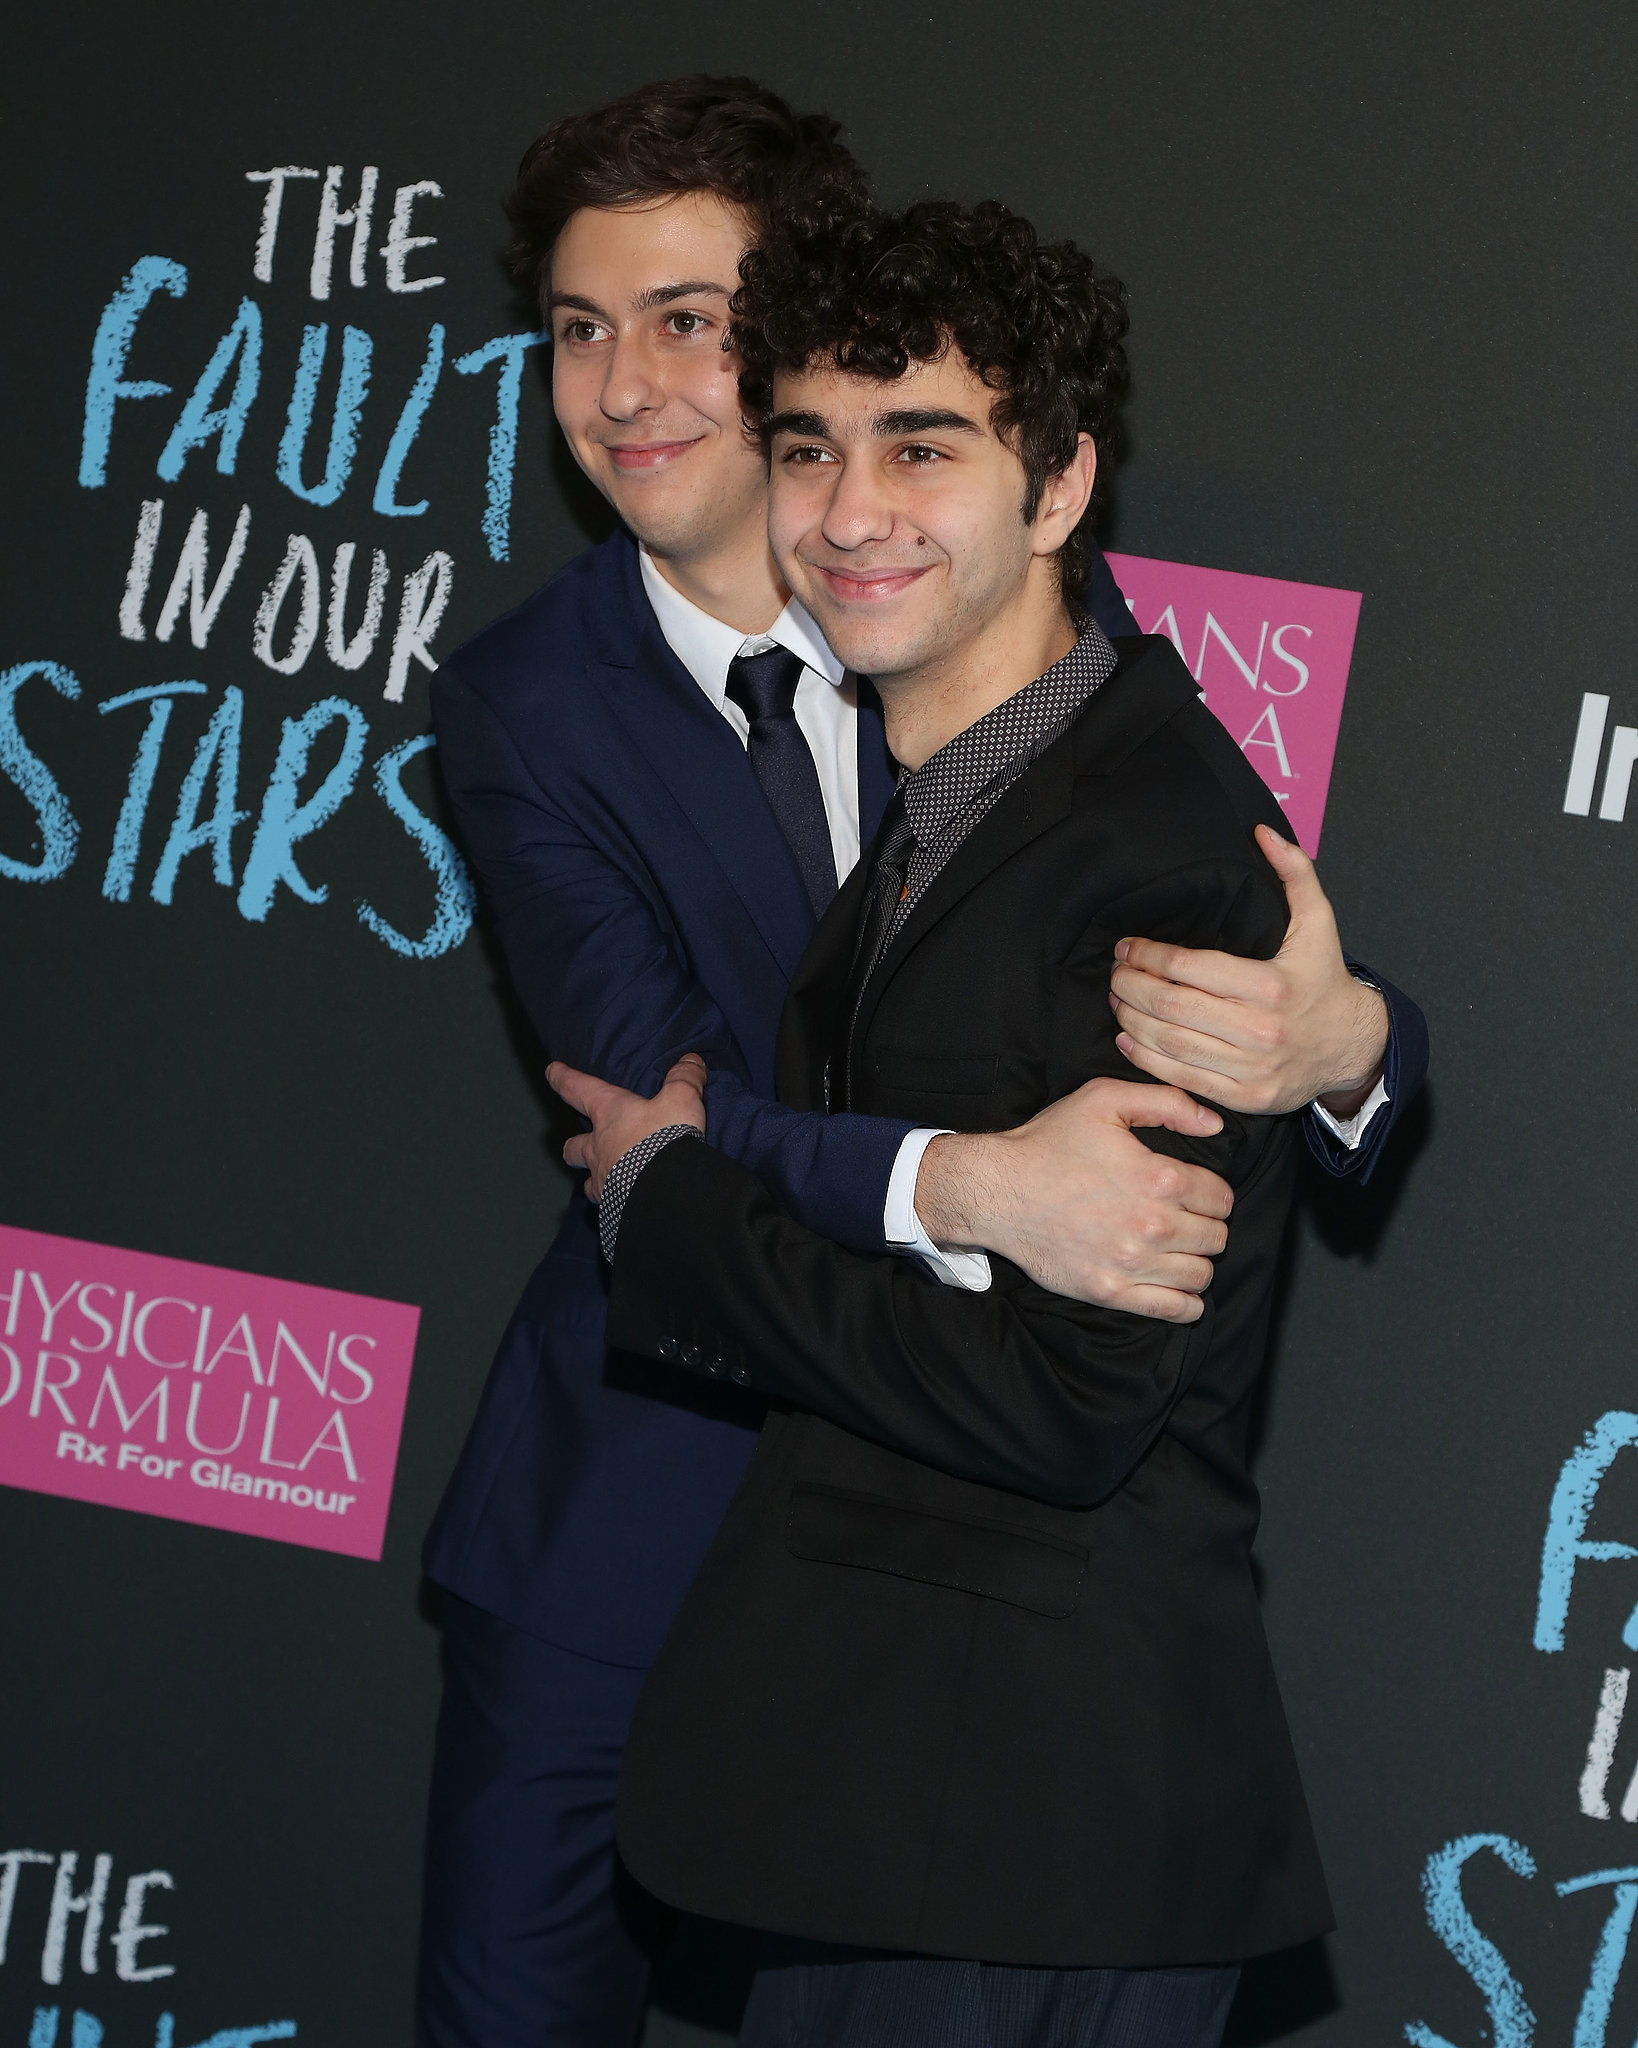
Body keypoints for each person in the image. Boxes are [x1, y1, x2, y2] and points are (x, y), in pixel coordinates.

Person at [421, 78, 1426, 2048]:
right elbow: (660, 1109)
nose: (625, 388)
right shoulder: (528, 704)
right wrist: (964, 1184)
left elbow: (1195, 898)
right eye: (576, 328)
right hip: (631, 1519)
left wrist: (1352, 1041)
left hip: (970, 1626)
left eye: (687, 321)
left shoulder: (997, 628)